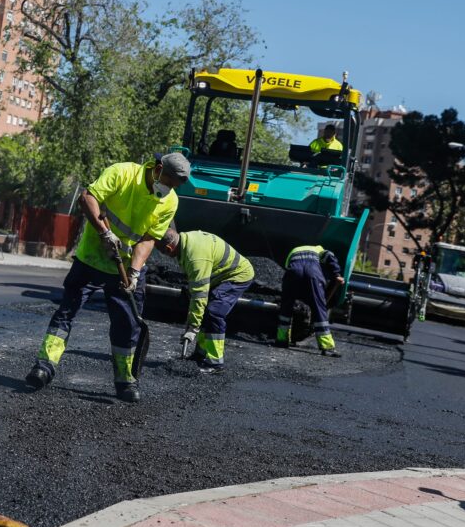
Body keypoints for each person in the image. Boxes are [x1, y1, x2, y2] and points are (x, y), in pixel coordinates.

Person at [24, 153, 188, 402]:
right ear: (158, 168)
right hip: (92, 257)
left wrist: (134, 271)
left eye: (175, 186)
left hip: (125, 266)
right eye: (169, 181)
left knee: (127, 325)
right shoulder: (122, 173)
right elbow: (88, 198)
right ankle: (44, 366)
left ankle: (125, 381)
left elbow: (149, 238)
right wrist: (104, 233)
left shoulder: (170, 201)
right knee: (67, 311)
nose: (170, 189)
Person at [156, 228, 254, 373]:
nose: (167, 256)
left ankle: (215, 363)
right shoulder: (186, 239)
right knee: (205, 310)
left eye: (164, 252)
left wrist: (192, 328)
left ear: (169, 248)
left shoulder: (195, 258)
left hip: (237, 275)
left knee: (214, 311)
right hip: (221, 275)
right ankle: (200, 354)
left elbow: (199, 296)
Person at [274, 245, 344, 356]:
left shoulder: (294, 250)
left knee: (286, 306)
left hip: (293, 271)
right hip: (313, 272)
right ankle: (327, 347)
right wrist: (336, 274)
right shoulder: (319, 249)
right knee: (319, 308)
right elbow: (329, 255)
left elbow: (291, 268)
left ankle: (281, 340)